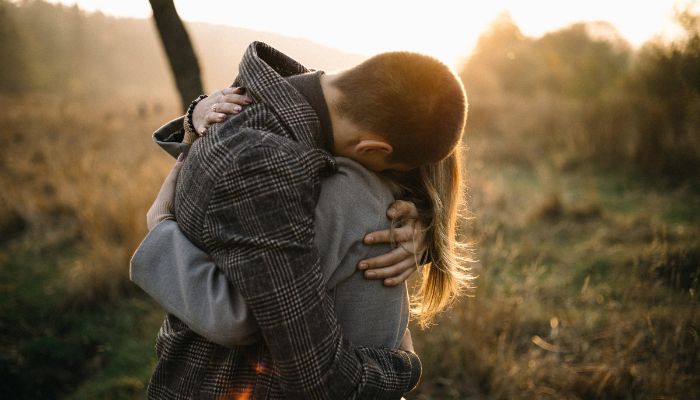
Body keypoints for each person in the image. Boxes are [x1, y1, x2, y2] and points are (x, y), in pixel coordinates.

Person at [137, 41, 467, 399]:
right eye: (392, 170)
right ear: (372, 149)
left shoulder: (286, 97)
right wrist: (405, 364)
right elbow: (316, 378)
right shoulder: (270, 169)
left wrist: (428, 223)